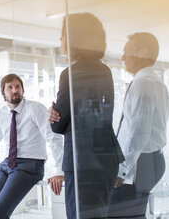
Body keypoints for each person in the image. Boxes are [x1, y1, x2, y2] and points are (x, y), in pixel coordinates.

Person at [49, 13, 124, 218]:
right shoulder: (104, 71)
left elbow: (58, 125)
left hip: (82, 161)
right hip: (106, 157)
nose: (60, 40)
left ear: (73, 38)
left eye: (63, 35)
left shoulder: (70, 74)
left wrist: (53, 115)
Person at [0, 73, 64, 219]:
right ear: (3, 93)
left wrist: (60, 172)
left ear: (23, 90)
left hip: (30, 165)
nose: (14, 90)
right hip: (6, 165)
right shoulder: (0, 115)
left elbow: (53, 139)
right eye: (9, 87)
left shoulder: (35, 109)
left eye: (18, 86)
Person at [107, 33, 169, 218]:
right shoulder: (155, 83)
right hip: (147, 160)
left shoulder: (144, 83)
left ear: (142, 52)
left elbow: (140, 131)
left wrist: (123, 169)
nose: (123, 57)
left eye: (127, 51)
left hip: (141, 163)